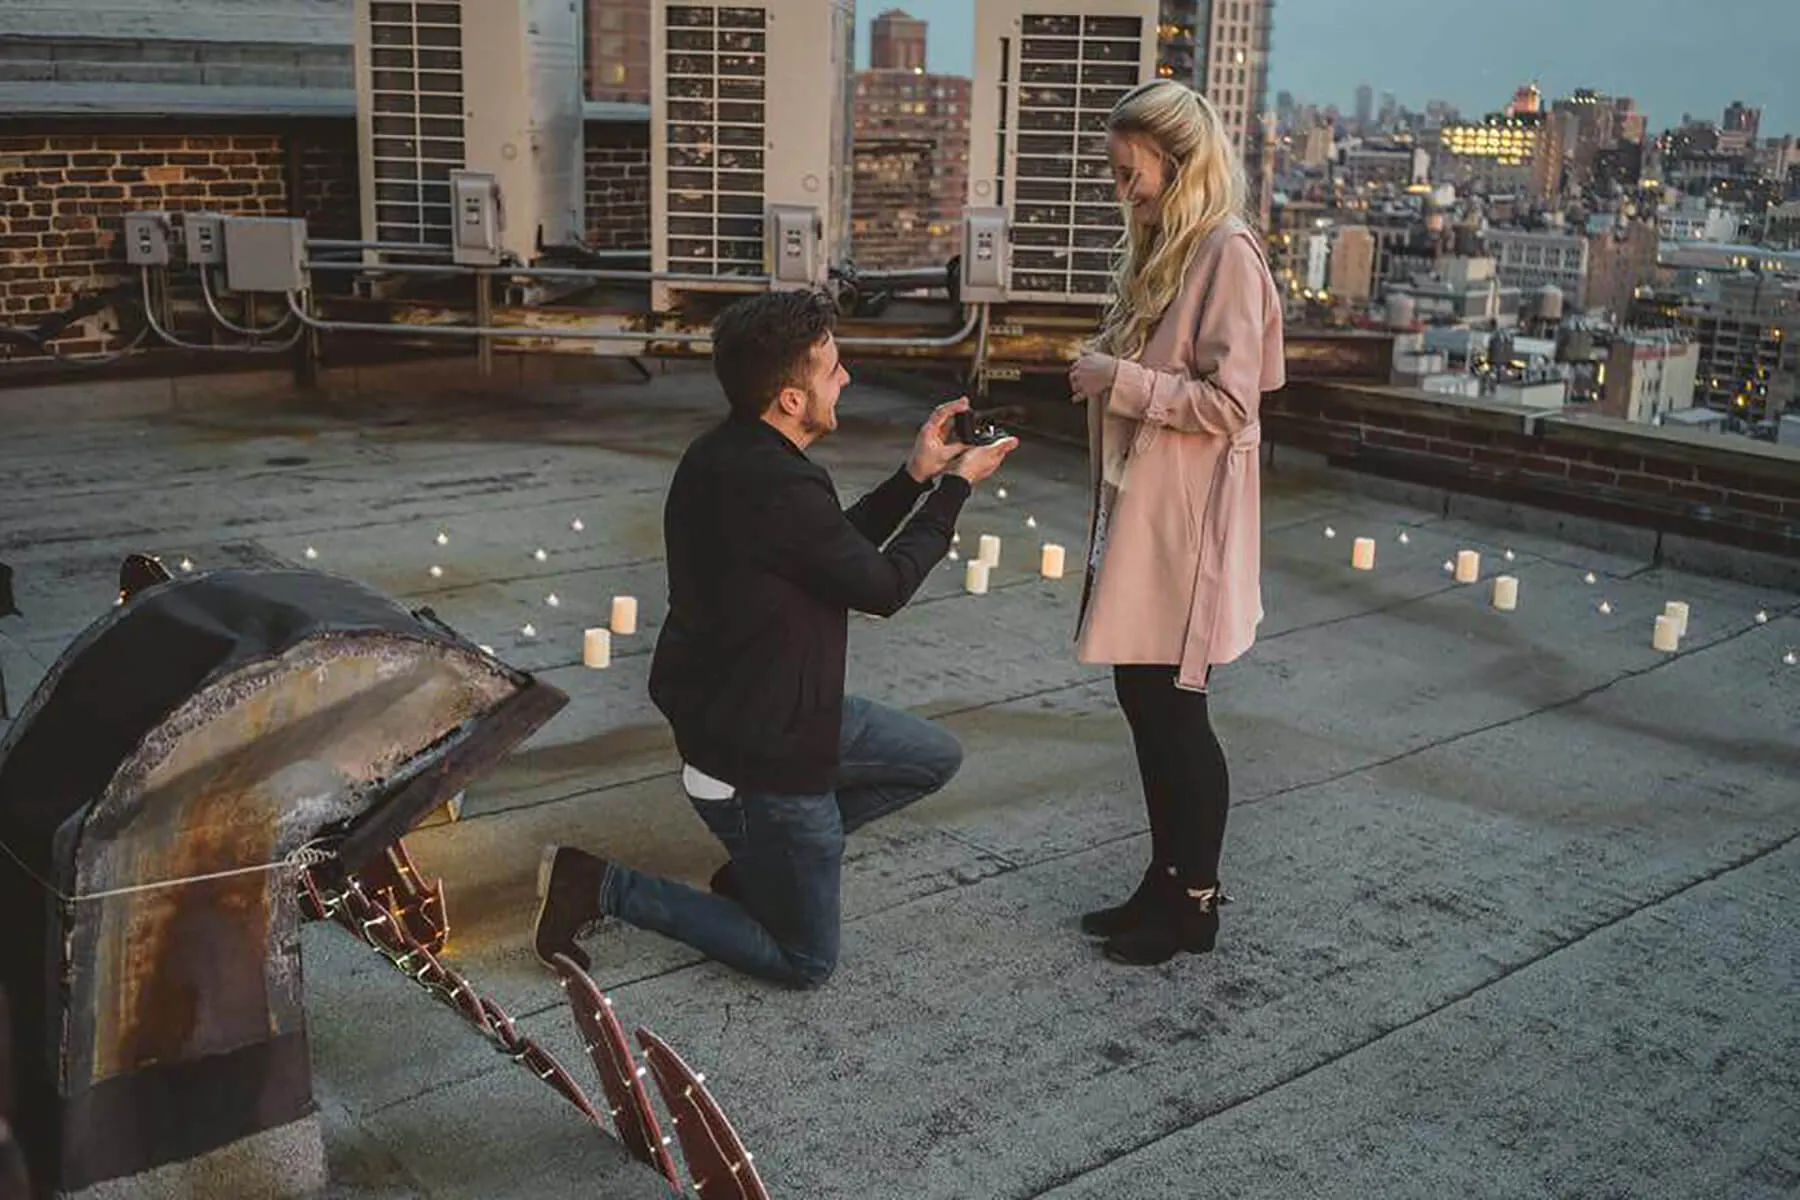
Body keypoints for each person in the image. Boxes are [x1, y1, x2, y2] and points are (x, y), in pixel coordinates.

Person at [533, 289, 1018, 987]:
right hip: (762, 754)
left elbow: (831, 549)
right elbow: (882, 588)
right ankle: (601, 887)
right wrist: (954, 492)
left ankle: (764, 864)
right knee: (805, 961)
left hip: (774, 713)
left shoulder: (727, 455)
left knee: (931, 757)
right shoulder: (777, 484)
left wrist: (916, 476)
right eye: (831, 370)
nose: (845, 379)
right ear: (791, 399)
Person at [1065, 79, 1285, 966]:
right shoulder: (1176, 247)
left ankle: (1194, 901)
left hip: (1190, 526)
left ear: (1180, 162)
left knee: (1174, 708)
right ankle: (1164, 881)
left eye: (1133, 173)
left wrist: (1117, 380)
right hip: (1151, 509)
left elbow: (1235, 401)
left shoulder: (1228, 252)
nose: (1125, 191)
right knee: (1140, 696)